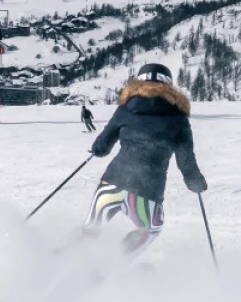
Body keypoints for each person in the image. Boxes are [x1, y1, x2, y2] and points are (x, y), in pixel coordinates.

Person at [85, 63, 206, 257]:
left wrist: (96, 151)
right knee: (151, 228)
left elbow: (103, 144)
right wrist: (195, 181)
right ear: (169, 86)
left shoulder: (125, 110)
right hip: (145, 192)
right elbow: (186, 160)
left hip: (110, 184)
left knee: (91, 228)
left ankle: (56, 258)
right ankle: (111, 265)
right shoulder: (178, 118)